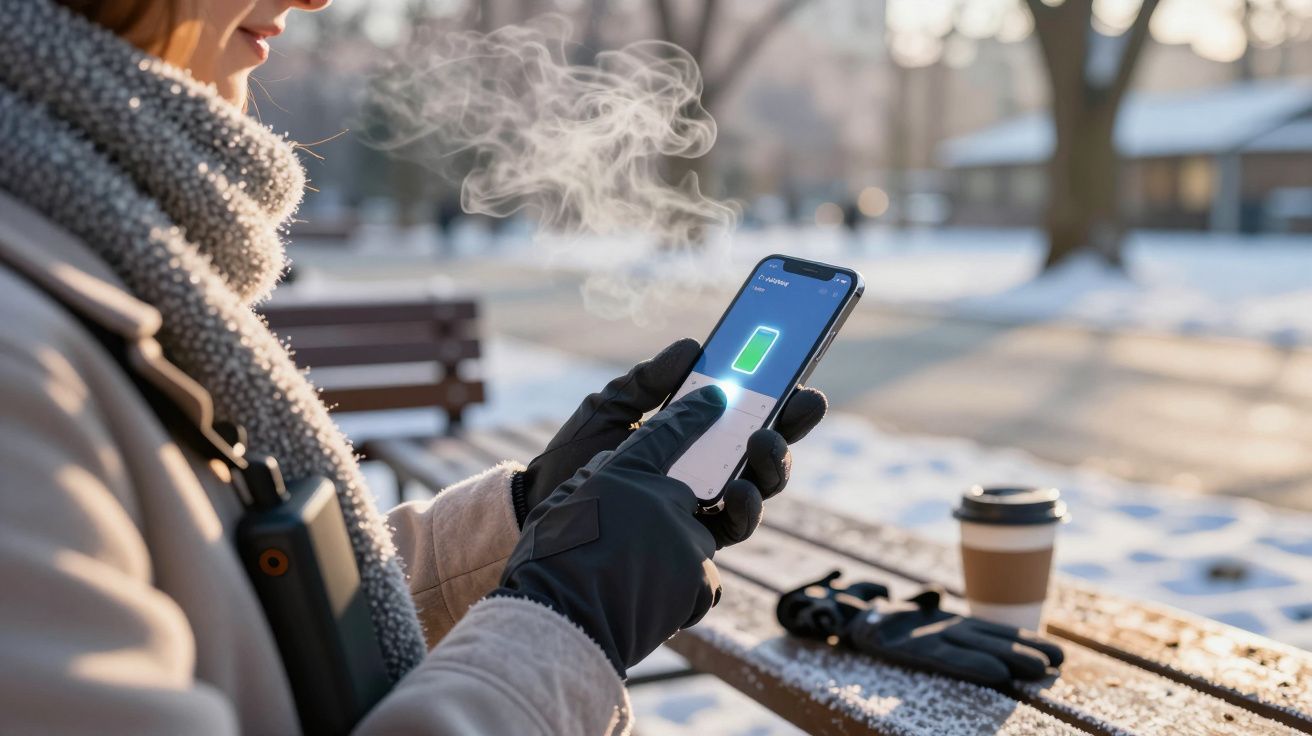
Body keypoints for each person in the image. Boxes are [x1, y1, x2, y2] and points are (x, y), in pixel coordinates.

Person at [0, 0, 828, 733]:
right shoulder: (22, 363)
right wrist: (567, 617)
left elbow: (241, 621)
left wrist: (527, 520)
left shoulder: (93, 276)